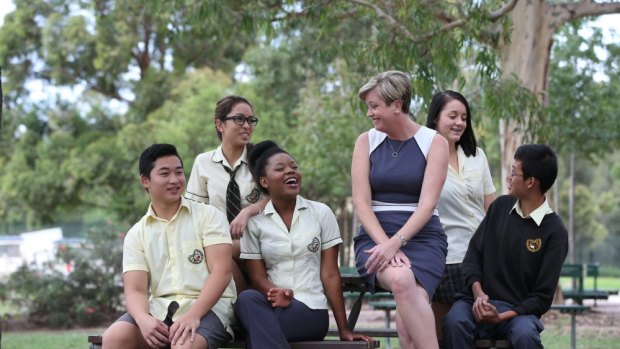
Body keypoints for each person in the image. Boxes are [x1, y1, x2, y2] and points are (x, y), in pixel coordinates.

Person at [234, 140, 373, 348]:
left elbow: (330, 274)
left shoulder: (321, 213)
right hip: (273, 306)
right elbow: (257, 276)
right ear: (264, 182)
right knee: (246, 299)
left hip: (310, 310)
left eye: (294, 167)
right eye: (280, 169)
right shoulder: (255, 223)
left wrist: (343, 329)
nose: (291, 172)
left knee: (256, 329)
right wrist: (276, 292)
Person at [102, 144, 236, 349]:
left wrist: (193, 316)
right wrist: (142, 319)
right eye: (164, 173)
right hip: (160, 310)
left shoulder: (208, 216)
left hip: (209, 309)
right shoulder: (137, 233)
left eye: (179, 172)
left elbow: (222, 272)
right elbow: (135, 291)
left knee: (183, 345)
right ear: (145, 181)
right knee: (114, 338)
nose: (175, 180)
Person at [351, 70, 449, 349]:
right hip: (375, 237)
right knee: (402, 279)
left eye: (374, 106)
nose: (369, 113)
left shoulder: (434, 143)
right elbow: (361, 203)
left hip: (423, 237)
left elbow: (428, 205)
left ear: (397, 105)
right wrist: (386, 245)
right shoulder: (365, 142)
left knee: (408, 329)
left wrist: (398, 243)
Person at [443, 144, 568, 349]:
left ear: (530, 182)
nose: (509, 178)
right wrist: (479, 294)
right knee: (454, 322)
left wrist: (502, 315)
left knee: (526, 336)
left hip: (517, 313)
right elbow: (473, 257)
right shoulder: (499, 207)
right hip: (476, 303)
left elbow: (542, 297)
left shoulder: (554, 231)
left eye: (513, 172)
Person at [425, 90, 496, 340]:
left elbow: (491, 208)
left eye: (464, 117)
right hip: (445, 260)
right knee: (444, 334)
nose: (459, 123)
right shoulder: (423, 158)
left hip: (482, 260)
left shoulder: (477, 156)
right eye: (452, 115)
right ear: (435, 118)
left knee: (483, 333)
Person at [185, 95, 268, 293]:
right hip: (220, 242)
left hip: (260, 240)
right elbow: (193, 211)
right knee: (213, 249)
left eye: (251, 120)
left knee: (217, 249)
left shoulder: (261, 158)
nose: (247, 126)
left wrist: (247, 212)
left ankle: (243, 304)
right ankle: (244, 302)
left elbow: (281, 198)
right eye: (239, 119)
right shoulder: (203, 163)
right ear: (220, 124)